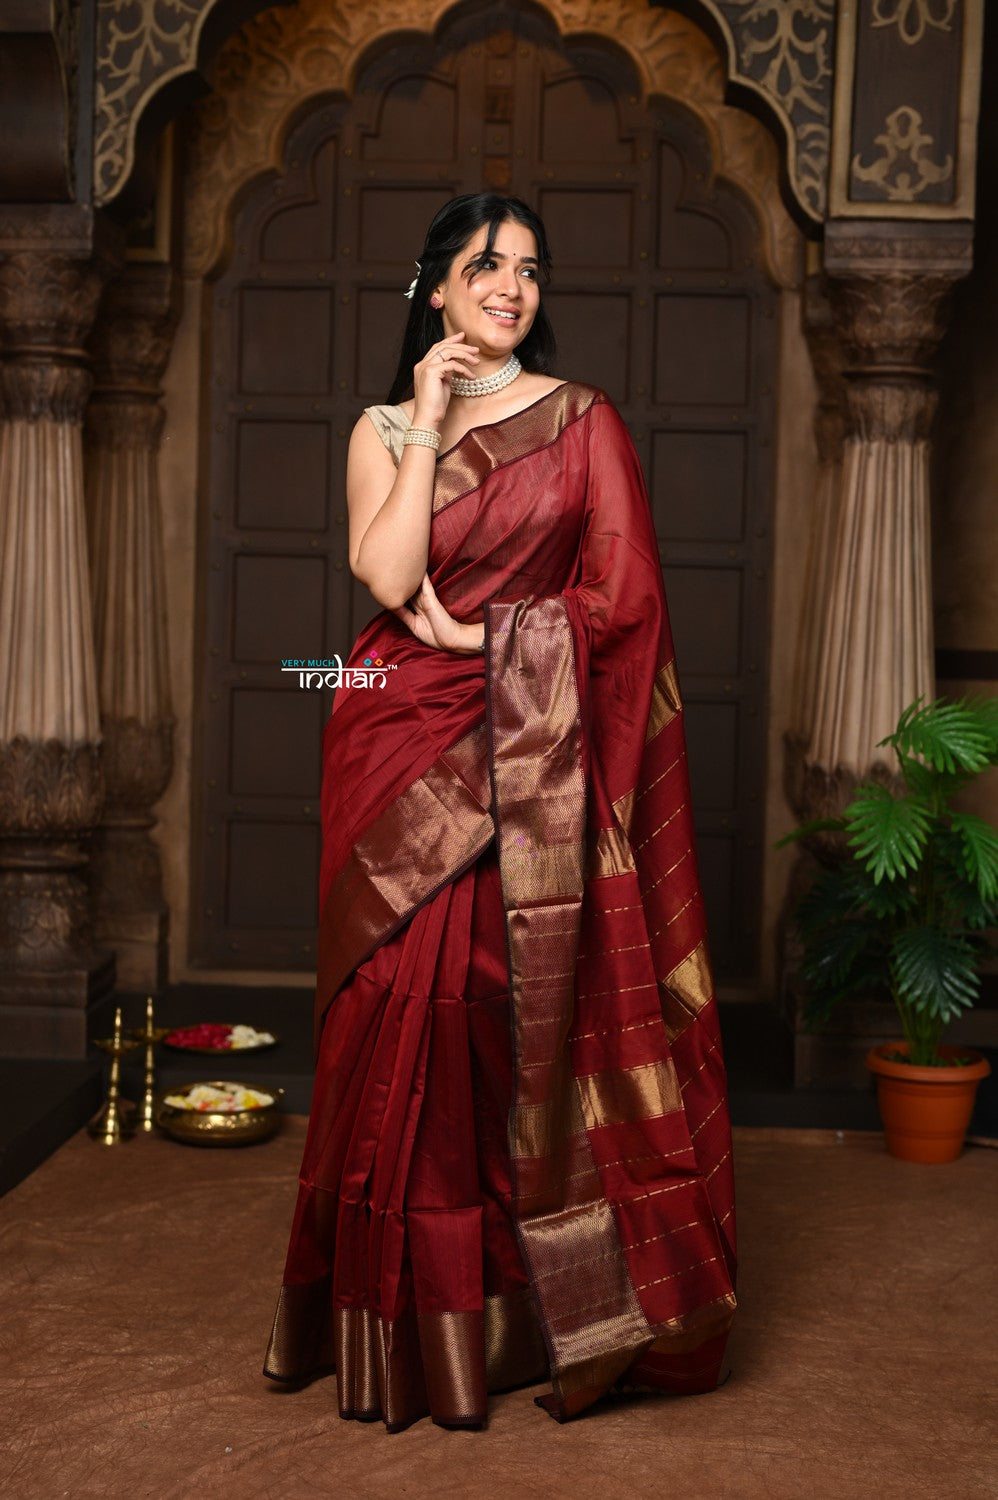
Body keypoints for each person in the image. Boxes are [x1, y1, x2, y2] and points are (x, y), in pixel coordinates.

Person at [263, 193, 737, 1433]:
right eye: (485, 266)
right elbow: (385, 575)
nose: (510, 287)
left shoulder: (582, 422)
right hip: (391, 731)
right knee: (385, 1009)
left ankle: (508, 1315)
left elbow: (623, 600)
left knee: (486, 1015)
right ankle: (390, 1320)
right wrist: (426, 417)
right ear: (435, 287)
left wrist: (492, 639)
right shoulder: (382, 426)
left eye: (528, 269)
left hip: (521, 741)